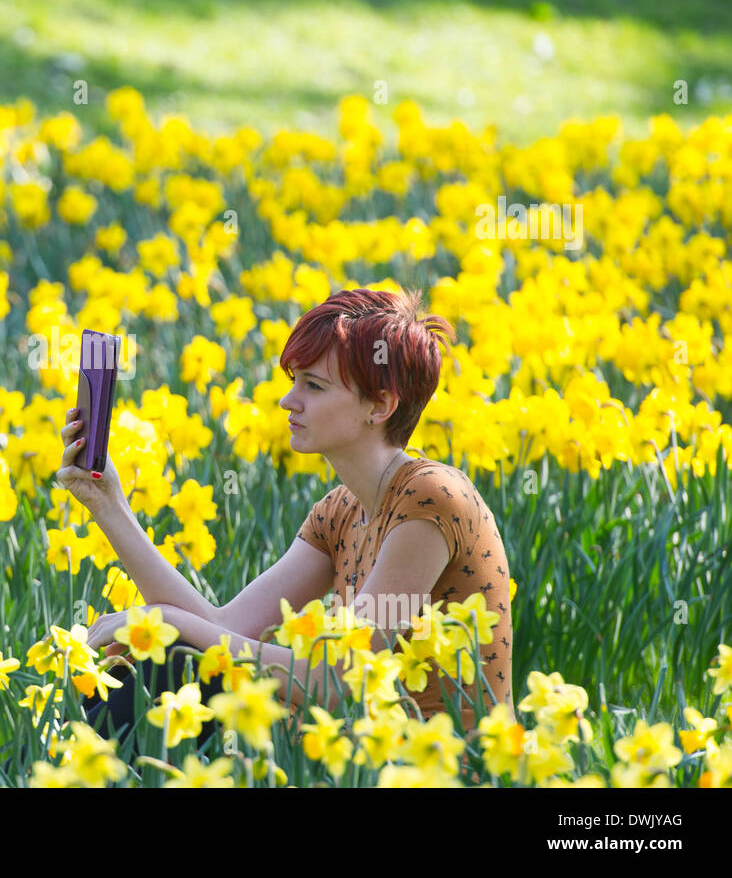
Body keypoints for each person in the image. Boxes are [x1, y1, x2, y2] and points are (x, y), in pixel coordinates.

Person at [55, 286, 514, 755]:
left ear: (380, 405)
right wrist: (106, 502)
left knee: (173, 662)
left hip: (440, 770)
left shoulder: (431, 498)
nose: (288, 401)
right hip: (358, 762)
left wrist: (166, 621)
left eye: (313, 386)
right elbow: (224, 624)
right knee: (170, 662)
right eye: (295, 380)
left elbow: (340, 680)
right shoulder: (340, 512)